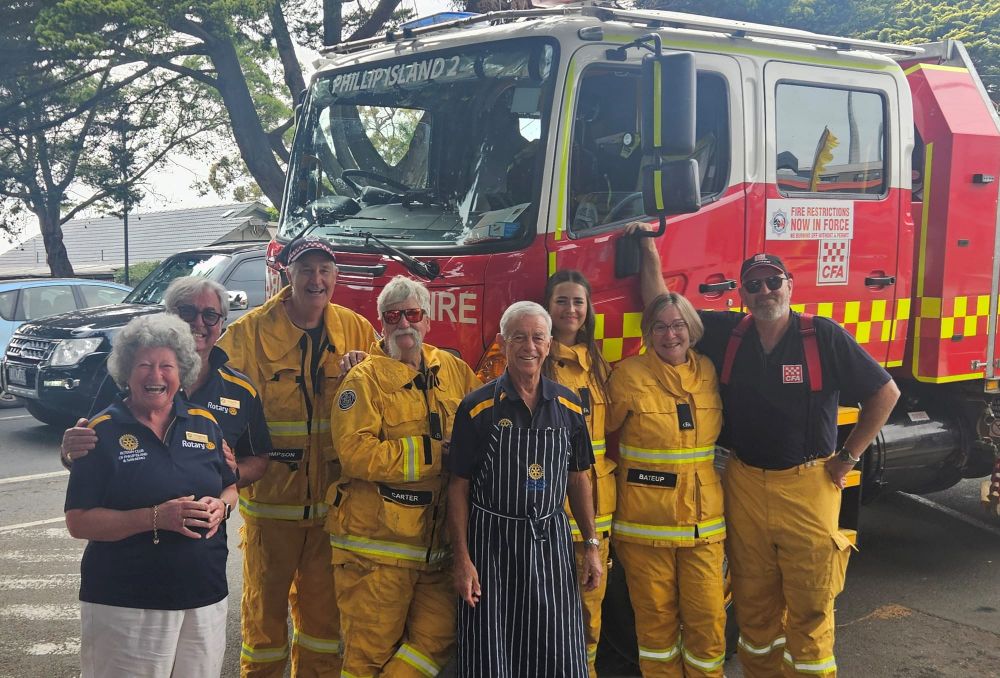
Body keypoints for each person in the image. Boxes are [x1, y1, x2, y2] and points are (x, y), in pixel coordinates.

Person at [629, 223, 900, 676]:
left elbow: (885, 393)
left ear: (789, 286)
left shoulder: (822, 336)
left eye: (774, 281)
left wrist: (848, 457)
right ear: (743, 294)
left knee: (811, 604)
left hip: (808, 487)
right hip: (745, 484)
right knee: (754, 608)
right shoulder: (729, 333)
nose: (765, 291)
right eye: (754, 285)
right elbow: (664, 309)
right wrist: (647, 246)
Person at [218, 235, 377, 677]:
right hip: (272, 511)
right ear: (287, 274)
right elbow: (212, 398)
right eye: (306, 269)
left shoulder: (358, 330)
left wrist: (366, 373)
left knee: (324, 626)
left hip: (331, 511)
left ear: (336, 278)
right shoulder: (249, 333)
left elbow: (389, 391)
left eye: (325, 270)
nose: (316, 279)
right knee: (264, 625)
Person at [64, 313, 237, 677]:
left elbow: (230, 486)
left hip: (205, 596)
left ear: (182, 372)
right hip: (128, 602)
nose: (155, 375)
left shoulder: (205, 423)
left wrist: (221, 505)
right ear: (126, 372)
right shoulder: (100, 433)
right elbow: (78, 522)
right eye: (144, 365)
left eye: (166, 366)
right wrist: (156, 517)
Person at [326, 275, 481, 677]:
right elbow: (355, 453)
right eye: (392, 316)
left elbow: (485, 425)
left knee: (435, 643)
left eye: (412, 313)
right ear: (381, 324)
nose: (403, 324)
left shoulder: (454, 370)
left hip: (437, 552)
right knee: (366, 658)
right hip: (376, 552)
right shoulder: (363, 378)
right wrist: (434, 453)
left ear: (427, 319)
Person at [447, 301, 602, 678]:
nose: (528, 346)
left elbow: (579, 477)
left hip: (550, 543)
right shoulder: (476, 407)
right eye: (518, 337)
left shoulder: (568, 405)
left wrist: (592, 546)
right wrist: (463, 559)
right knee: (492, 649)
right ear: (503, 342)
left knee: (559, 645)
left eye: (537, 337)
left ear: (549, 345)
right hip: (491, 548)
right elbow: (457, 487)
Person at [605, 292, 727, 677]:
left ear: (691, 330)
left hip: (702, 528)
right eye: (659, 326)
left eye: (677, 325)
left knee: (708, 624)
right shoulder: (628, 375)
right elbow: (599, 434)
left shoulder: (708, 371)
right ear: (648, 333)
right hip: (646, 529)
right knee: (656, 632)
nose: (669, 334)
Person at [60, 277, 271, 489]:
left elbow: (258, 459)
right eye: (187, 312)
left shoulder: (240, 391)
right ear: (168, 316)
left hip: (206, 519)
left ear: (222, 322)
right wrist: (69, 452)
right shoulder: (129, 377)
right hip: (130, 517)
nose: (198, 323)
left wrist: (228, 474)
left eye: (210, 315)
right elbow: (88, 452)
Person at [542, 270, 616, 676]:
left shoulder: (598, 365)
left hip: (596, 515)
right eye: (561, 301)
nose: (570, 309)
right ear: (547, 307)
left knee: (590, 617)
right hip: (551, 512)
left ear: (587, 311)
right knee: (550, 615)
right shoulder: (538, 362)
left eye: (578, 302)